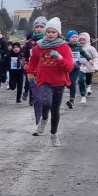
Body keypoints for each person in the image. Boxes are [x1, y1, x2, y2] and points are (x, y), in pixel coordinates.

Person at [26, 17, 73, 147]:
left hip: (59, 81)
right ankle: (44, 119)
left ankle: (54, 134)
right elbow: (33, 61)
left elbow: (69, 67)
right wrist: (30, 73)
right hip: (44, 80)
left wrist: (59, 58)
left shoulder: (64, 48)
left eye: (53, 32)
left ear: (58, 33)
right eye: (48, 32)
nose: (50, 34)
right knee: (46, 102)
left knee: (55, 109)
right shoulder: (39, 46)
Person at [23, 16, 47, 105]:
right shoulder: (29, 43)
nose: (39, 29)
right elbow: (23, 55)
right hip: (32, 67)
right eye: (37, 27)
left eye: (41, 27)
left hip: (46, 67)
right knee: (32, 83)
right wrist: (25, 64)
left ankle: (43, 97)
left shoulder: (50, 41)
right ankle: (32, 96)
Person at [65, 29, 89, 109]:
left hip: (75, 68)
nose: (75, 39)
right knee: (67, 83)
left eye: (76, 37)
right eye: (73, 37)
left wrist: (89, 59)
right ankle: (68, 86)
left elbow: (84, 53)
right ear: (68, 38)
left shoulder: (79, 46)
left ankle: (72, 100)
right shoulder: (65, 46)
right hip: (66, 68)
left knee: (72, 82)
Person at [78, 32, 98, 99]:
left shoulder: (91, 48)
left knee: (88, 77)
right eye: (80, 40)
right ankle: (82, 93)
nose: (82, 41)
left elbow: (96, 57)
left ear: (87, 40)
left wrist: (96, 66)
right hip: (80, 67)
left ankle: (88, 87)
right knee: (81, 79)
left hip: (89, 66)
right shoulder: (77, 48)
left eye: (83, 40)